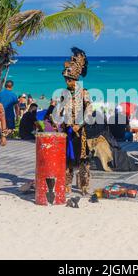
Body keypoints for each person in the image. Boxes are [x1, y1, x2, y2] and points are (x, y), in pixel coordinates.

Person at [53, 47, 93, 195]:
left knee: (83, 159)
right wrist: (57, 120)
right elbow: (59, 110)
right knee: (67, 158)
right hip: (67, 129)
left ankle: (83, 186)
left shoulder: (84, 92)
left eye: (68, 80)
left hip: (81, 131)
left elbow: (89, 110)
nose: (67, 82)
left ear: (75, 80)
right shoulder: (64, 93)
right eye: (65, 79)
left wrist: (79, 124)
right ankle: (67, 184)